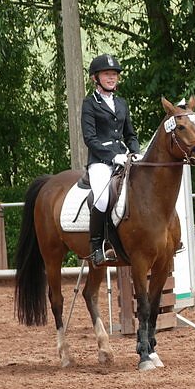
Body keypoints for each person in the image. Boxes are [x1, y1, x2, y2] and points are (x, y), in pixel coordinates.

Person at [81, 53, 140, 264]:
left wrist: (135, 152)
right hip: (100, 161)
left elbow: (130, 134)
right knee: (103, 197)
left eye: (114, 74)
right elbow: (90, 138)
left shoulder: (121, 103)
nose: (112, 78)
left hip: (124, 157)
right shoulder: (90, 103)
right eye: (107, 74)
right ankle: (96, 246)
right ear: (95, 78)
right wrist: (112, 156)